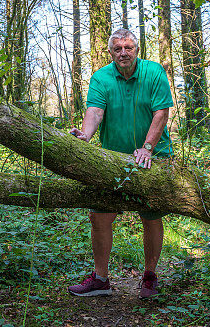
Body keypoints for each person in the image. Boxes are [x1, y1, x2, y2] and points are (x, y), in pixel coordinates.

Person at [67, 28, 173, 299]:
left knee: (150, 216)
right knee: (99, 216)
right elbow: (95, 110)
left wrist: (147, 147)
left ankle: (149, 277)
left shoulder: (154, 72)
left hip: (153, 157)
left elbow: (161, 112)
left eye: (128, 48)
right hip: (112, 159)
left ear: (136, 49)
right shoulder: (101, 77)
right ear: (111, 52)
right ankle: (101, 279)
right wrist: (86, 135)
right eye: (118, 49)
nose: (124, 53)